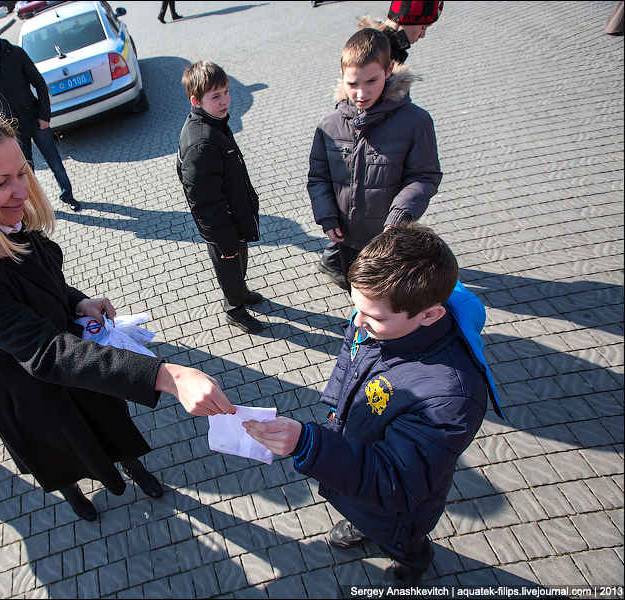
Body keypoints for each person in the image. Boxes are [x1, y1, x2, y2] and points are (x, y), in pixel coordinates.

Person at [0, 103, 236, 521]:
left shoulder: (11, 221)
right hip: (28, 387)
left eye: (22, 172)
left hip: (76, 363)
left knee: (110, 429)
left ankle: (136, 469)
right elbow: (45, 352)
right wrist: (167, 375)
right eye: (1, 182)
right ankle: (75, 497)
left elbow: (44, 285)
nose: (21, 191)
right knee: (61, 454)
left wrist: (76, 301)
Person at [244, 225, 499, 586]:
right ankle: (362, 522)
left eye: (374, 318)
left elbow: (396, 482)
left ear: (429, 315)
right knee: (365, 508)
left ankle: (413, 561)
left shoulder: (450, 398)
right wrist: (336, 410)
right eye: (355, 308)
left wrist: (310, 444)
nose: (358, 323)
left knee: (400, 538)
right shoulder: (376, 320)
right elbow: (351, 359)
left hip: (399, 510)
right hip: (355, 463)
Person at [309, 28, 441, 290]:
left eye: (371, 81)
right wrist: (327, 217)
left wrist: (399, 215)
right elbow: (318, 177)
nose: (361, 93)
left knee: (387, 302)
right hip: (346, 239)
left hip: (388, 240)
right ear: (342, 78)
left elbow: (424, 176)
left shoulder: (416, 122)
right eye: (353, 83)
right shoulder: (329, 125)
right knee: (358, 295)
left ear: (389, 70)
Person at [176, 61, 266, 335]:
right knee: (228, 263)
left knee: (239, 260)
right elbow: (203, 202)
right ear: (196, 100)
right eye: (216, 96)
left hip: (233, 214)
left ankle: (240, 290)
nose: (225, 100)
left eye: (226, 92)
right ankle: (234, 308)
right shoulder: (201, 142)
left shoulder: (214, 122)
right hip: (222, 225)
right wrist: (223, 239)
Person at [0, 13, 81, 212]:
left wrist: (45, 117)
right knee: (25, 172)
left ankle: (68, 195)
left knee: (55, 162)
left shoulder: (15, 53)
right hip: (12, 131)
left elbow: (39, 84)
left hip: (36, 119)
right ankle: (35, 207)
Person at [357, 1, 444, 66]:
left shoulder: (388, 49)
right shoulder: (379, 54)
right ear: (409, 16)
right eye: (423, 27)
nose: (422, 35)